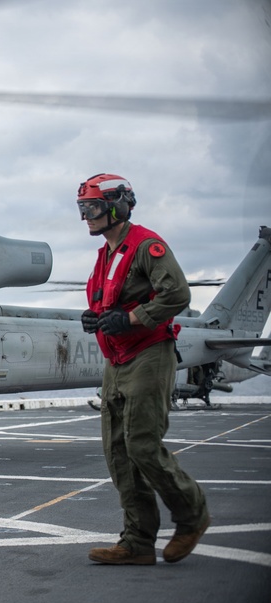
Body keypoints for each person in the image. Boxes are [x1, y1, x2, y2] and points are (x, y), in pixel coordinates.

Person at [77, 173, 210, 566]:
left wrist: (134, 318)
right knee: (118, 452)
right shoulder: (106, 255)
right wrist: (96, 317)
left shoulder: (146, 246)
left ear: (118, 205)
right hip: (116, 360)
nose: (87, 216)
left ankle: (192, 515)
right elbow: (113, 302)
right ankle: (137, 542)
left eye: (94, 207)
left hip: (149, 353)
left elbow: (177, 294)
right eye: (83, 208)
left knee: (142, 446)